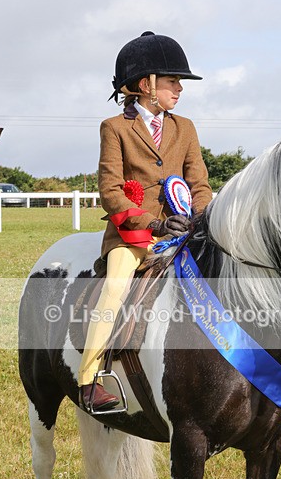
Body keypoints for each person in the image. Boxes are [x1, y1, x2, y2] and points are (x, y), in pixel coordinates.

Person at [78, 31, 213, 413]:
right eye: (173, 81)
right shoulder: (115, 128)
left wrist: (198, 220)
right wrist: (153, 225)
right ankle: (89, 380)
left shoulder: (184, 127)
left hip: (183, 233)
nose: (180, 88)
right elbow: (111, 191)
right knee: (115, 289)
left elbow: (199, 184)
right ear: (146, 85)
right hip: (132, 236)